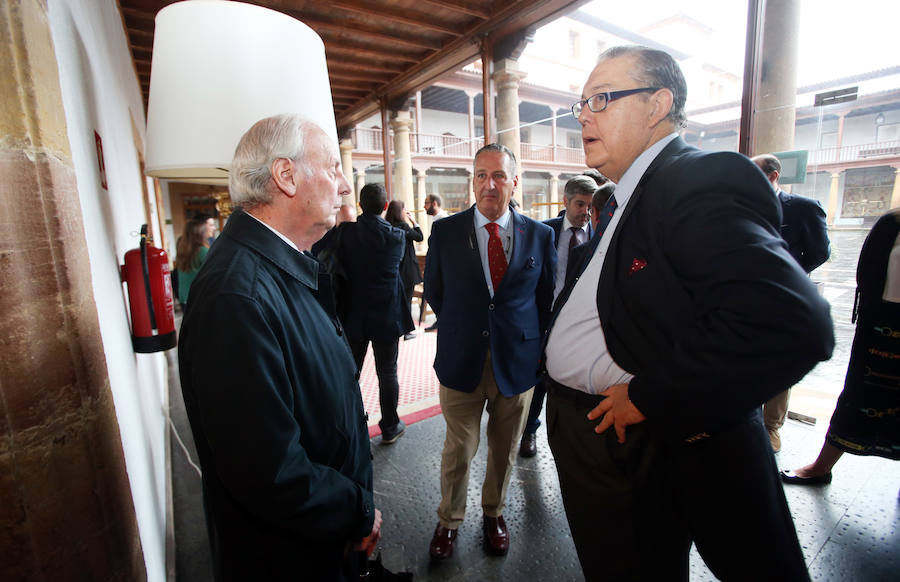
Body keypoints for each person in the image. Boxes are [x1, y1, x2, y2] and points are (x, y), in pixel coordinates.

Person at [544, 46, 833, 581]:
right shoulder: (627, 193)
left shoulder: (693, 179)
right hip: (598, 434)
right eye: (580, 103)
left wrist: (651, 396)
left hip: (641, 434)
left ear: (657, 105)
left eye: (601, 99)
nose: (582, 114)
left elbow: (791, 322)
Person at [178, 114, 381, 581]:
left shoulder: (276, 265)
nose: (346, 187)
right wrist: (357, 510)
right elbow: (267, 470)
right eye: (333, 168)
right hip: (290, 559)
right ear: (286, 176)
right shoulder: (237, 295)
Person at [424, 143, 555, 560]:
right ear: (473, 181)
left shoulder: (540, 234)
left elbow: (545, 298)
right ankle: (449, 520)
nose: (489, 184)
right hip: (461, 359)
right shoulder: (446, 232)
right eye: (481, 175)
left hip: (516, 364)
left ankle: (494, 513)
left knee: (505, 447)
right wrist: (467, 328)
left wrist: (531, 348)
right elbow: (436, 293)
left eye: (498, 175)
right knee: (458, 449)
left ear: (515, 182)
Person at [782, 209, 900, 484]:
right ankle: (821, 467)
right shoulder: (891, 224)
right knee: (858, 394)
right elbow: (868, 275)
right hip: (882, 323)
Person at [753, 153, 832, 452]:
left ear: (773, 176)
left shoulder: (802, 208)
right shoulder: (742, 205)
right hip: (746, 294)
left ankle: (771, 427)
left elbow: (819, 252)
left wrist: (790, 275)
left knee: (779, 360)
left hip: (784, 298)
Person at [519, 175, 596, 458]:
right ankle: (529, 431)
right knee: (539, 379)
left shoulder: (597, 235)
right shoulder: (544, 231)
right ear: (565, 201)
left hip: (578, 322)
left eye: (589, 206)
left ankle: (576, 439)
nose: (585, 212)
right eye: (579, 204)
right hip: (544, 318)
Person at [337, 184, 414, 444]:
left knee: (350, 371)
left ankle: (349, 425)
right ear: (384, 207)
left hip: (355, 312)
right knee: (387, 372)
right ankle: (390, 426)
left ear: (360, 205)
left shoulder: (346, 233)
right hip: (387, 313)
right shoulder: (396, 236)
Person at [385, 199, 424, 341]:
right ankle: (407, 331)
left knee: (396, 301)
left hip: (395, 269)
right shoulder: (403, 226)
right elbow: (419, 237)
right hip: (407, 269)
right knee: (407, 300)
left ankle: (397, 328)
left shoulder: (388, 225)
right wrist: (414, 221)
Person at [423, 193, 448, 332]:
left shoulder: (443, 221)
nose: (424, 206)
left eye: (426, 203)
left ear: (434, 204)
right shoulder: (437, 220)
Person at [174, 218, 213, 307]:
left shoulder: (183, 249)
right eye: (206, 228)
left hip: (184, 297)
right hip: (198, 298)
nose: (211, 229)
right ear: (200, 233)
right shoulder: (202, 251)